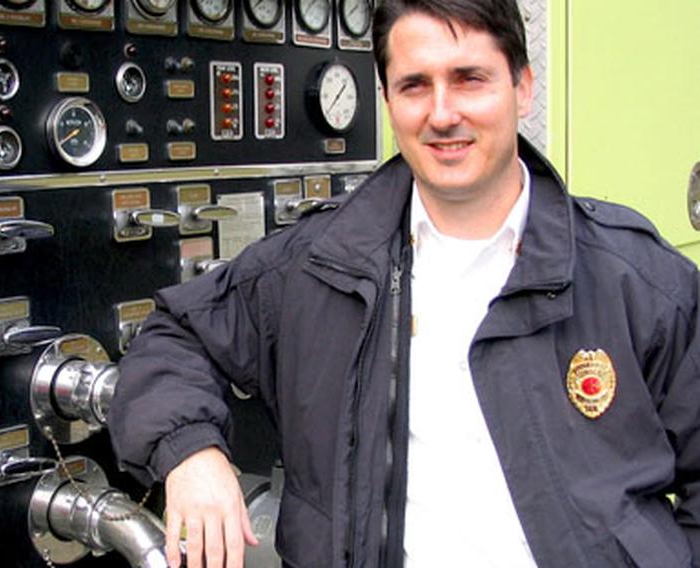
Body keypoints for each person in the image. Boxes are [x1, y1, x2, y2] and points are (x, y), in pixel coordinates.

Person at [108, 0, 700, 566]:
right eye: (415, 85)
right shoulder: (317, 266)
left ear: (522, 86)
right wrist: (191, 451)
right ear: (388, 99)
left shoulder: (636, 282)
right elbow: (176, 333)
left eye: (469, 78)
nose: (442, 114)